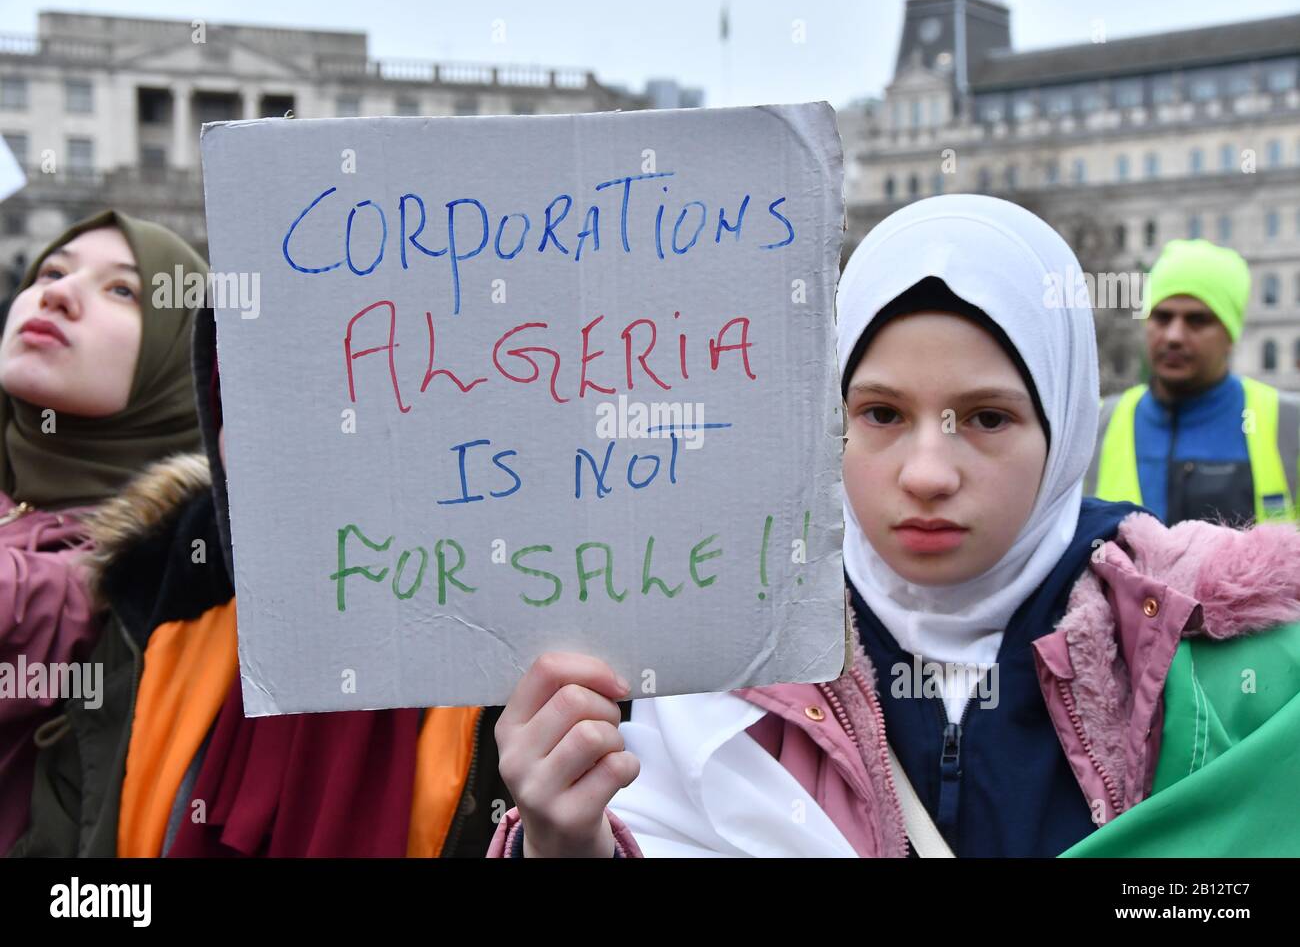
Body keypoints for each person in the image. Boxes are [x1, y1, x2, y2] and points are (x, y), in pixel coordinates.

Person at [487, 195, 1300, 858]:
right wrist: (566, 842)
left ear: (1063, 432)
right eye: (879, 413)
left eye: (985, 418)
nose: (926, 473)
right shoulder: (715, 659)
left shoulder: (1215, 657)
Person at [11, 301, 511, 858]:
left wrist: (555, 841)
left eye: (352, 377)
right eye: (254, 389)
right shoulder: (153, 602)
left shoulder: (526, 654)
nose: (290, 432)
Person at [0, 210, 202, 854]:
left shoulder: (146, 570)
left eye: (122, 289)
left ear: (180, 356)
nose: (57, 293)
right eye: (51, 271)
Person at [1087, 238, 1299, 526]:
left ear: (1231, 333)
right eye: (1162, 317)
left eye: (1197, 320)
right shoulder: (1094, 424)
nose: (1174, 335)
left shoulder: (1290, 422)